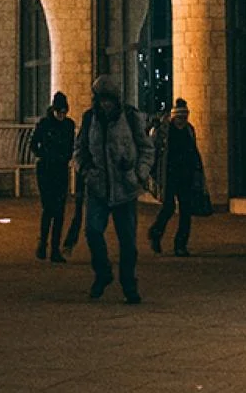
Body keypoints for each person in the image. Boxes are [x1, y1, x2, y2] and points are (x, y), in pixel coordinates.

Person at [73, 74, 155, 305]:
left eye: (108, 100)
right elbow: (79, 149)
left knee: (128, 241)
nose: (105, 104)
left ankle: (129, 284)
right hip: (98, 186)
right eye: (101, 100)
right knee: (92, 231)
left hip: (125, 188)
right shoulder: (90, 119)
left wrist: (138, 173)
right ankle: (103, 273)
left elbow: (146, 149)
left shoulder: (130, 117)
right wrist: (86, 170)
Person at [148, 98, 202, 257]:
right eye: (179, 118)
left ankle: (180, 245)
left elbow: (193, 152)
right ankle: (156, 233)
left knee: (186, 210)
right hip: (170, 174)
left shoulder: (189, 130)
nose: (182, 121)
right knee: (169, 207)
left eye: (184, 118)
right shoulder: (165, 131)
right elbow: (155, 149)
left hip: (185, 175)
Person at [31, 90, 75, 264]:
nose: (62, 116)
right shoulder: (44, 124)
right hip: (47, 169)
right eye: (60, 112)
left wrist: (64, 156)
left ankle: (53, 248)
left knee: (59, 211)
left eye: (64, 112)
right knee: (49, 208)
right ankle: (44, 244)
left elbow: (71, 146)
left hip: (60, 169)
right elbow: (34, 144)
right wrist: (45, 155)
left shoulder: (68, 125)